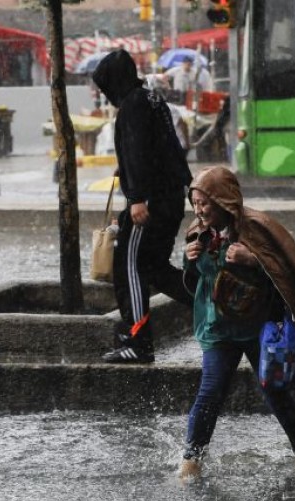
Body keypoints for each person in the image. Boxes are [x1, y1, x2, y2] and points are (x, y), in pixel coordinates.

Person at [178, 166, 295, 480]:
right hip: (218, 329)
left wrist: (254, 262)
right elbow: (198, 283)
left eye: (204, 203)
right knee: (209, 393)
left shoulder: (258, 229)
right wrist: (189, 259)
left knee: (276, 394)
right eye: (195, 202)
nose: (199, 210)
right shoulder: (197, 232)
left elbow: (285, 274)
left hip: (259, 329)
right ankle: (191, 462)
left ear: (224, 201)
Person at [92, 49, 193, 364]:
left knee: (130, 265)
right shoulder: (151, 98)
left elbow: (137, 149)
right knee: (155, 267)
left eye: (105, 86)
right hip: (169, 195)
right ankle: (213, 303)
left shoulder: (132, 105)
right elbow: (161, 146)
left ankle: (138, 339)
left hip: (149, 201)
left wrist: (136, 197)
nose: (106, 95)